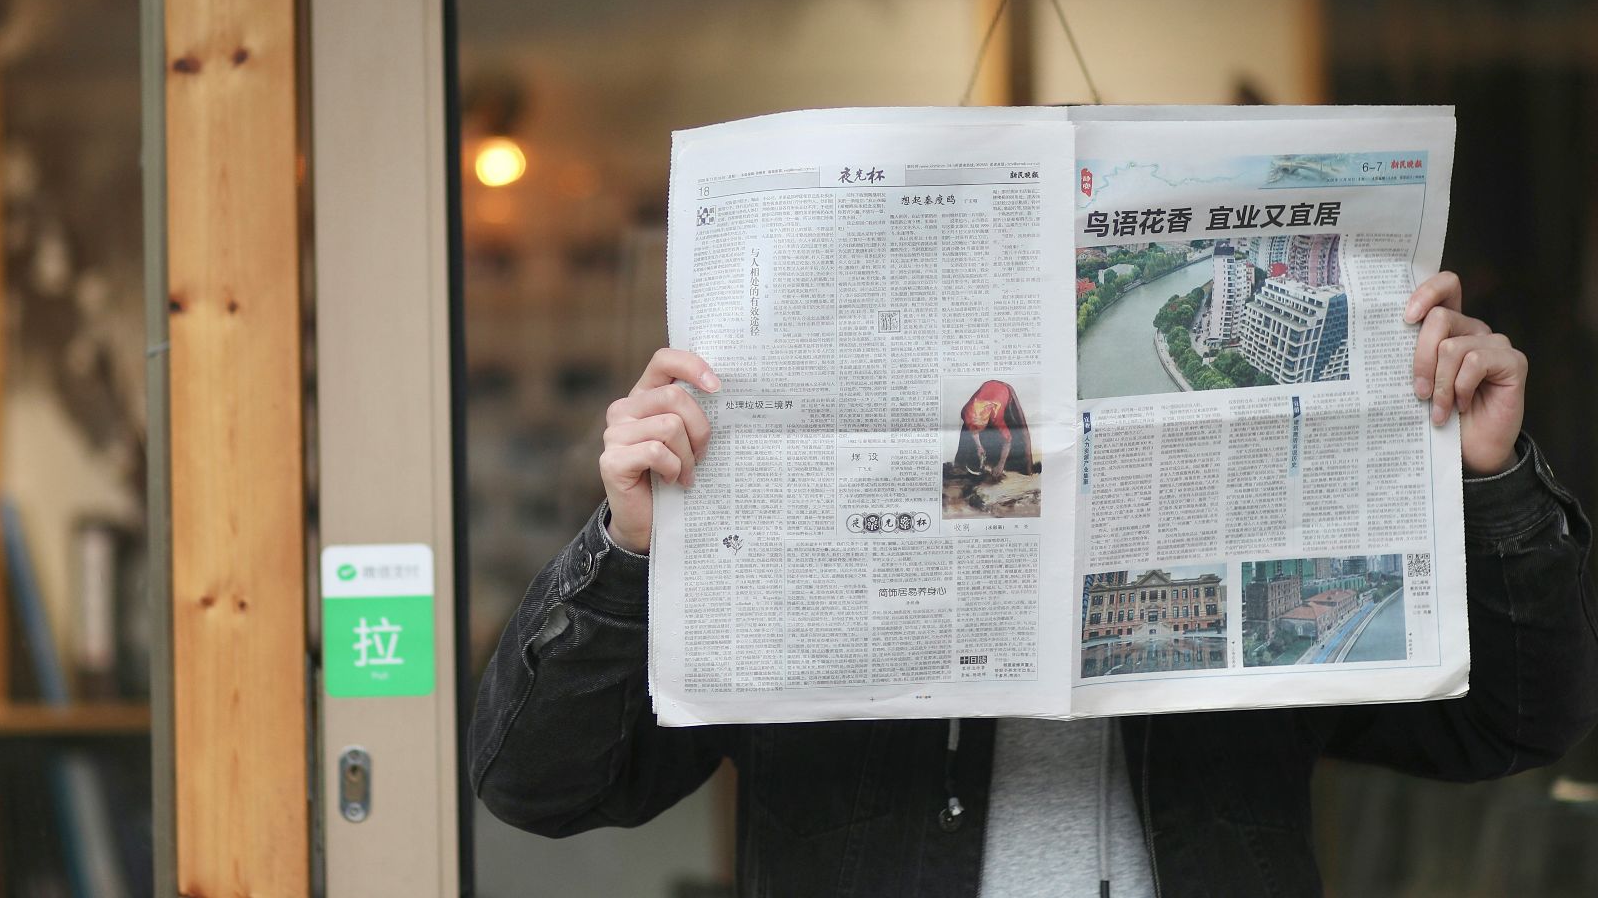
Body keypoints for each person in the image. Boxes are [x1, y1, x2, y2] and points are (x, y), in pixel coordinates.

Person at [468, 271, 1598, 897]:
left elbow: (1515, 723)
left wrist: (1492, 479)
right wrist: (628, 541)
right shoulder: (774, 554)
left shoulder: (1241, 560)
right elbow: (540, 785)